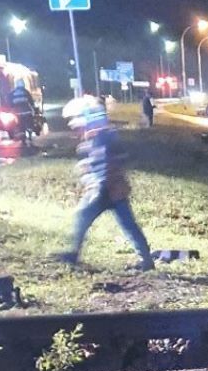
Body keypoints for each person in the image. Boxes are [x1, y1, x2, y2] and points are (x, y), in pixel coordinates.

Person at [57, 95, 155, 271]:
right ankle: (146, 260)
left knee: (93, 219)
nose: (77, 129)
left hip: (109, 190)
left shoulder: (104, 138)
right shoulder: (94, 140)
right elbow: (94, 164)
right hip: (109, 191)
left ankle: (146, 260)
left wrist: (100, 185)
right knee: (124, 224)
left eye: (78, 124)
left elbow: (110, 163)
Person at [9, 79, 38, 144]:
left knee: (20, 125)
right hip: (27, 111)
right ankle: (30, 135)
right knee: (29, 123)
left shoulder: (13, 93)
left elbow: (10, 102)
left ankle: (23, 138)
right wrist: (33, 108)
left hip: (18, 113)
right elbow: (31, 101)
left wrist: (11, 110)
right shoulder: (25, 92)